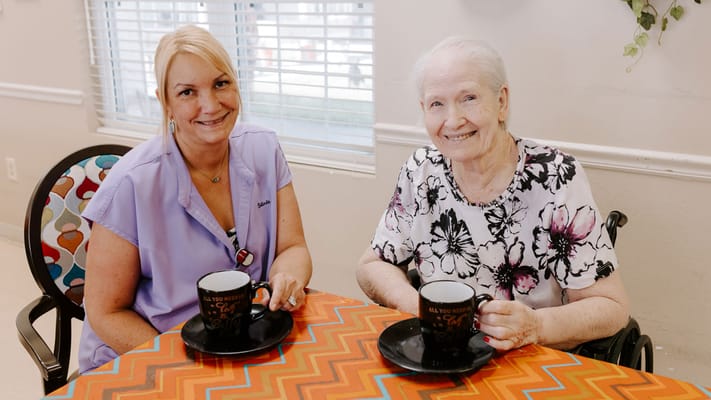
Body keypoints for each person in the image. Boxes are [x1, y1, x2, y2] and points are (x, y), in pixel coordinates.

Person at [356, 36, 629, 352]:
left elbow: (611, 307)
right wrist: (418, 306)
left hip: (529, 359)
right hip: (444, 355)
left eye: (469, 98)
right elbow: (371, 265)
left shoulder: (556, 176)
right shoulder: (421, 170)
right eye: (436, 104)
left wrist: (536, 327)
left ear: (502, 102)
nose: (454, 120)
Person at [78, 25, 312, 373]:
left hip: (238, 343)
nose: (210, 105)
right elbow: (105, 313)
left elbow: (293, 248)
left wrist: (287, 277)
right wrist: (179, 368)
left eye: (221, 83)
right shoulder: (130, 184)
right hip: (148, 354)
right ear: (166, 103)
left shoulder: (264, 149)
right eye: (188, 92)